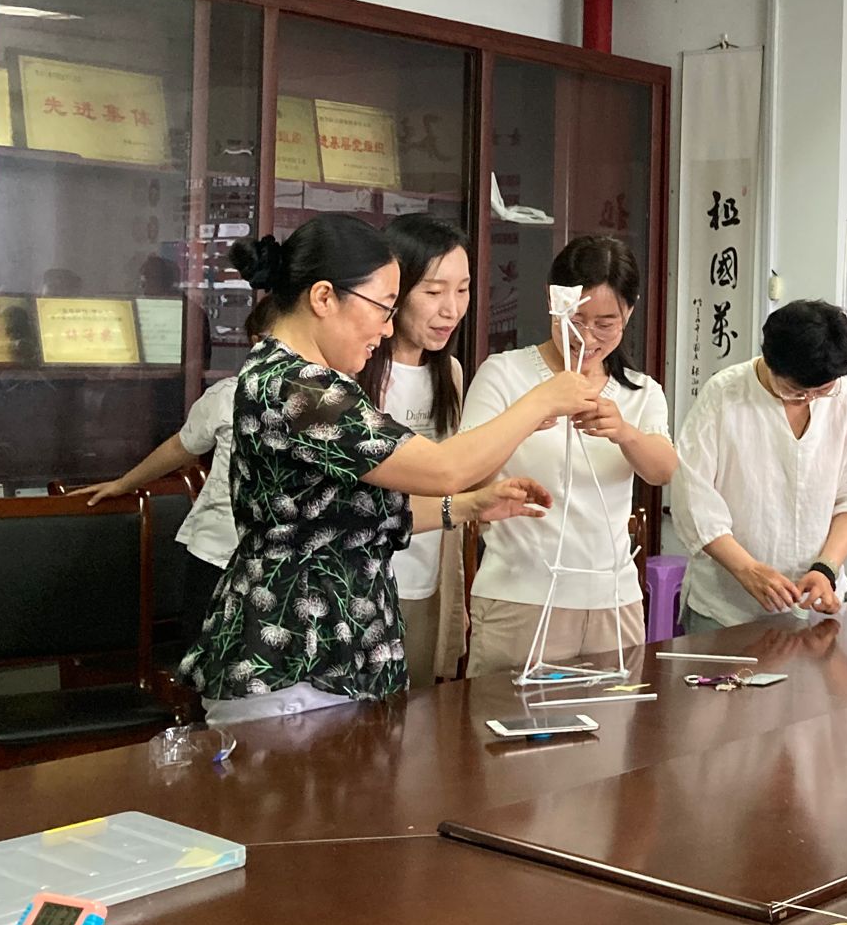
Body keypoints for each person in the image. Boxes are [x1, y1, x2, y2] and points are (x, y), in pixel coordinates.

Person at [181, 216, 593, 725]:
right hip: (294, 656)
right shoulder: (298, 389)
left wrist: (471, 505)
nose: (387, 328)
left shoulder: (297, 379)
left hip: (330, 653)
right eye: (382, 308)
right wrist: (540, 401)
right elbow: (444, 468)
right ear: (324, 297)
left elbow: (349, 516)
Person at [460, 235, 678, 679]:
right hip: (521, 597)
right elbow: (465, 471)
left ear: (629, 313)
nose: (586, 338)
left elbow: (662, 470)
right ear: (552, 302)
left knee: (612, 721)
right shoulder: (505, 373)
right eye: (574, 320)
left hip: (613, 601)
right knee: (508, 719)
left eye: (605, 324)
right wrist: (528, 416)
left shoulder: (641, 391)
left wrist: (625, 433)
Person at [70, 298, 278, 639]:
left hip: (283, 559)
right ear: (256, 342)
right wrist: (124, 483)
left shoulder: (328, 401)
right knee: (205, 648)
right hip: (218, 550)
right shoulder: (229, 395)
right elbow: (180, 447)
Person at [672, 300, 847, 633]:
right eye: (795, 391)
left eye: (822, 390)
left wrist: (826, 569)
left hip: (815, 603)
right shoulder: (724, 395)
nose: (808, 399)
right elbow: (693, 500)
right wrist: (747, 570)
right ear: (769, 361)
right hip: (726, 609)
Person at [357, 214, 471, 686]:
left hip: (428, 579)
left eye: (462, 290)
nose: (451, 309)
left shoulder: (451, 375)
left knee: (421, 713)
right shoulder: (356, 374)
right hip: (364, 582)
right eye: (434, 291)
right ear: (394, 291)